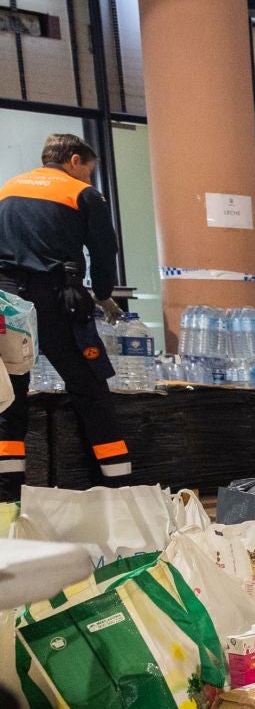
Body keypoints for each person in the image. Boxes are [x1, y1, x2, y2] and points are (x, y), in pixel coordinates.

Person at [0, 133, 129, 494]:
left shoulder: (8, 188)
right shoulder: (81, 193)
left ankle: (7, 498)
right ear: (74, 160)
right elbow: (105, 250)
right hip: (56, 298)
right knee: (90, 387)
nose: (89, 178)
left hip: (6, 302)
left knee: (10, 394)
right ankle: (117, 489)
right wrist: (103, 295)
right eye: (88, 170)